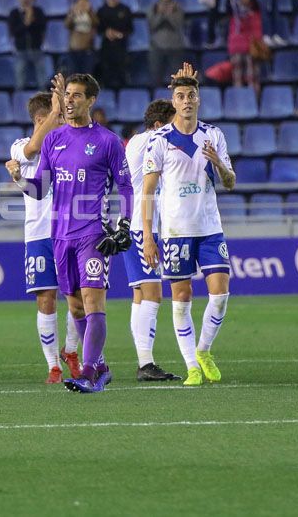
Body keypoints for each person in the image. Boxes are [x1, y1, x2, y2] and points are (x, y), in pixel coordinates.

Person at [7, 73, 134, 393]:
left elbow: (126, 186)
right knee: (75, 307)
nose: (70, 100)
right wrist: (20, 179)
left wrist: (124, 224)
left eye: (77, 95)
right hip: (59, 236)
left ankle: (89, 373)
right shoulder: (53, 139)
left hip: (93, 233)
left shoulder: (107, 140)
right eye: (68, 95)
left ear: (91, 100)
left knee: (93, 303)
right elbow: (41, 189)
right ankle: (100, 365)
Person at [141, 64, 237, 387]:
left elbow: (231, 182)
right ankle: (191, 366)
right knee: (181, 299)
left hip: (210, 227)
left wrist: (219, 163)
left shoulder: (214, 136)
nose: (186, 101)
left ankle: (203, 351)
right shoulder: (160, 140)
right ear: (174, 101)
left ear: (198, 100)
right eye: (180, 96)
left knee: (220, 295)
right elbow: (148, 191)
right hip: (176, 231)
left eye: (191, 95)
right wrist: (148, 237)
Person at [7, 84, 82, 383]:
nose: (63, 122)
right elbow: (33, 149)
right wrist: (54, 111)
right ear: (41, 120)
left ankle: (72, 351)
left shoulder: (71, 145)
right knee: (46, 298)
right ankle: (53, 364)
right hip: (39, 234)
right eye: (58, 118)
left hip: (73, 230)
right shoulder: (20, 147)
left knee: (76, 296)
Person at [123, 99, 181, 382]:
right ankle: (145, 363)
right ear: (159, 125)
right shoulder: (150, 142)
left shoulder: (136, 141)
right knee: (153, 294)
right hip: (145, 227)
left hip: (138, 224)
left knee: (140, 296)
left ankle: (143, 359)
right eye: (172, 123)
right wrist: (148, 235)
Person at [8, 0, 48, 90]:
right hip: (21, 50)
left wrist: (32, 19)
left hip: (36, 49)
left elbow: (42, 27)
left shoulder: (38, 11)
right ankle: (19, 99)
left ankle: (44, 99)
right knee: (19, 79)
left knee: (42, 79)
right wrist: (26, 22)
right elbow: (14, 31)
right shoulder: (14, 13)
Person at [147, 0, 185, 88]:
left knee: (178, 81)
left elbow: (178, 24)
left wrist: (168, 14)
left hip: (175, 47)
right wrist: (160, 14)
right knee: (155, 79)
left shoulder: (178, 7)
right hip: (157, 47)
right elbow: (152, 26)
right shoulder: (153, 8)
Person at [227, 0, 263, 95]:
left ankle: (253, 103)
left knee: (252, 79)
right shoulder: (234, 14)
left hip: (250, 50)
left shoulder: (255, 14)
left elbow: (257, 32)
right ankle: (239, 104)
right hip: (236, 49)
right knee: (237, 80)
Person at [96, 0, 133, 90]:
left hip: (121, 48)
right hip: (106, 48)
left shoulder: (125, 10)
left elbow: (130, 29)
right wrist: (106, 33)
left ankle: (123, 97)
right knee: (106, 75)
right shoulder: (101, 11)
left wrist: (120, 34)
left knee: (122, 75)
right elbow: (98, 29)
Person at [65, 0, 98, 76]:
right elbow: (67, 25)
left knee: (87, 76)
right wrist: (73, 13)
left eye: (85, 3)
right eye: (80, 3)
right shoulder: (72, 15)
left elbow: (96, 23)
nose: (82, 5)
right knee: (73, 75)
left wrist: (89, 12)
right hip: (73, 50)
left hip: (87, 50)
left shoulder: (91, 15)